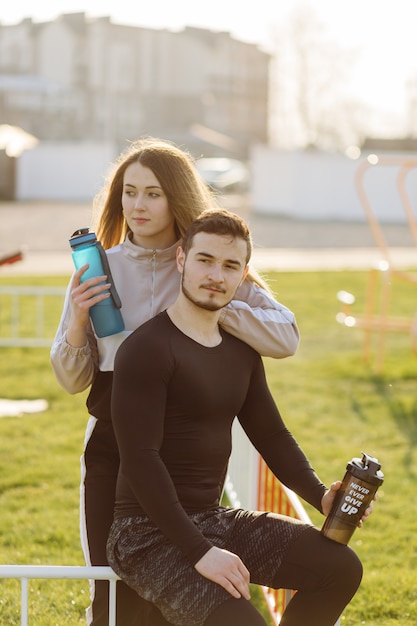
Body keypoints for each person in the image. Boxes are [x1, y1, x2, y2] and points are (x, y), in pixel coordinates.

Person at [50, 138, 300, 626]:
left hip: (184, 454)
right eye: (129, 192)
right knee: (113, 594)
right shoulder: (99, 268)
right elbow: (71, 379)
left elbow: (285, 335)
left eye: (154, 193)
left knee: (180, 592)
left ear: (177, 197)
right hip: (113, 448)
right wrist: (79, 321)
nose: (138, 205)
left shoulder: (206, 260)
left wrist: (211, 301)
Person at [107, 208, 368, 626]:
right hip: (145, 533)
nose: (216, 275)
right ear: (181, 260)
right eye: (205, 260)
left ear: (243, 274)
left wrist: (321, 495)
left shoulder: (240, 351)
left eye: (230, 265)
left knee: (340, 569)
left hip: (212, 519)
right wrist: (201, 552)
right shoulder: (146, 349)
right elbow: (140, 459)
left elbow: (272, 434)